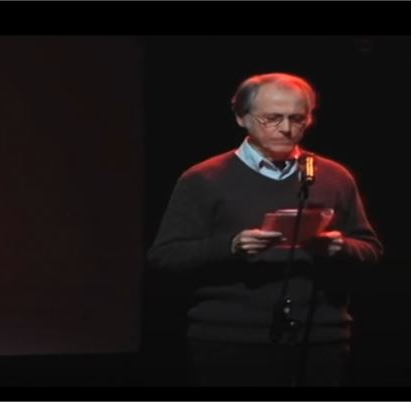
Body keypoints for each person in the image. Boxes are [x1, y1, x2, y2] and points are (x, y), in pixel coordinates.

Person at [147, 72, 383, 387]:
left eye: (297, 119)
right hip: (231, 340)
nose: (286, 129)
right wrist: (231, 246)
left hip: (319, 340)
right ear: (242, 117)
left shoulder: (333, 177)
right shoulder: (203, 179)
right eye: (272, 118)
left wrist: (341, 247)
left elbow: (370, 249)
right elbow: (165, 256)